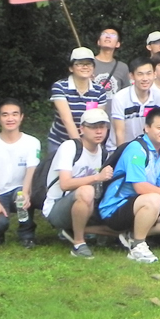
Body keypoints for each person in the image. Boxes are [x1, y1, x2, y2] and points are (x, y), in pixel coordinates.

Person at [96, 107, 160, 263]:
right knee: (153, 199)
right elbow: (140, 187)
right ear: (147, 128)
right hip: (115, 207)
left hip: (138, 204)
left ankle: (131, 235)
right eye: (159, 127)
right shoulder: (137, 150)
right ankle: (137, 246)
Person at [42, 109, 117, 258]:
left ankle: (82, 231)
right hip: (57, 206)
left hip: (88, 204)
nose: (99, 131)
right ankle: (78, 243)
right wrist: (97, 177)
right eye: (93, 127)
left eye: (102, 127)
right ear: (81, 129)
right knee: (86, 191)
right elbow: (65, 184)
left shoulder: (103, 152)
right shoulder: (70, 147)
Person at [0, 99, 41, 248]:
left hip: (19, 190)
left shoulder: (32, 142)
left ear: (21, 117)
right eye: (5, 115)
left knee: (21, 197)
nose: (10, 119)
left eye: (14, 114)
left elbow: (31, 171)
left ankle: (27, 234)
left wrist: (26, 193)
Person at [48, 47, 108, 154]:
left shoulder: (100, 90)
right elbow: (67, 119)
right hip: (60, 141)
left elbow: (98, 121)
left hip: (89, 143)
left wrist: (88, 147)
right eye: (80, 64)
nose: (85, 67)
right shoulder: (60, 87)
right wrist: (79, 147)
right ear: (71, 68)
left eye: (89, 64)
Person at [110, 57, 159, 148]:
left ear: (154, 74)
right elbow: (119, 132)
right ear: (131, 76)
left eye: (149, 73)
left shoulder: (158, 97)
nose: (145, 78)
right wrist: (122, 154)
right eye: (140, 74)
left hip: (147, 148)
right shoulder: (120, 98)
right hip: (121, 148)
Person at [93, 27, 131, 98]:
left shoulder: (122, 67)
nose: (108, 36)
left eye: (113, 35)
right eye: (104, 34)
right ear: (98, 42)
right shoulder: (89, 64)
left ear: (118, 44)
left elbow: (126, 93)